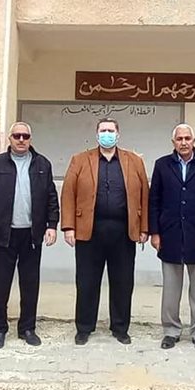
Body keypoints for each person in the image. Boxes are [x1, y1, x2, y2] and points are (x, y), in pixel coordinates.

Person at [61, 117, 149, 346]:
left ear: (118, 134)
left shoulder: (134, 161)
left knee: (123, 282)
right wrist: (69, 227)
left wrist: (144, 228)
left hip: (124, 231)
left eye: (111, 130)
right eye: (103, 130)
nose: (107, 134)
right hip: (89, 231)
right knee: (87, 282)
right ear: (96, 134)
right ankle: (84, 327)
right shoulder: (80, 160)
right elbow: (68, 193)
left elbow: (145, 195)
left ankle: (120, 328)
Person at [0, 122, 60, 349]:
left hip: (32, 235)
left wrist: (52, 225)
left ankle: (27, 328)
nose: (21, 140)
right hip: (4, 234)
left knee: (30, 284)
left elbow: (51, 197)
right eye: (17, 136)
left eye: (25, 136)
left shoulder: (42, 164)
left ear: (30, 139)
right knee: (1, 284)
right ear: (10, 138)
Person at [149, 124, 195, 352]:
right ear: (173, 142)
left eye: (187, 138)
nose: (183, 142)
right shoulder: (162, 165)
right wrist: (154, 232)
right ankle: (171, 331)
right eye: (179, 138)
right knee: (171, 289)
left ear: (194, 141)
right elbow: (154, 201)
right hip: (169, 234)